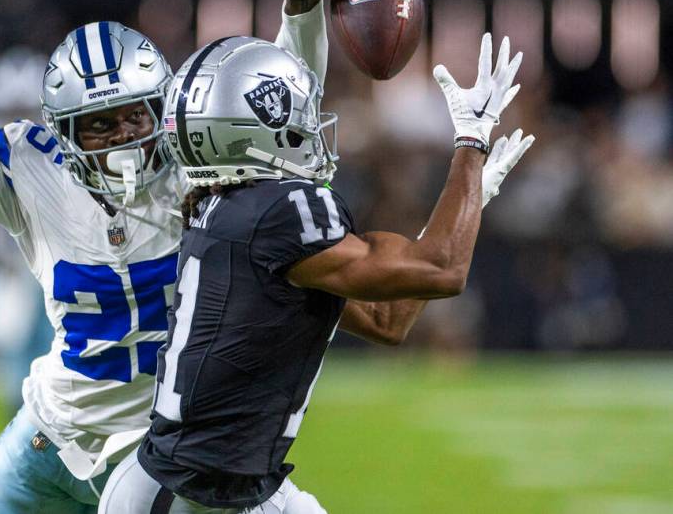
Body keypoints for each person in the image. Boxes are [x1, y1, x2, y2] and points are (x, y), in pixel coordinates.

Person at [0, 0, 354, 513]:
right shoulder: (36, 179)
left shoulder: (202, 170)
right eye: (99, 125)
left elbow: (279, 100)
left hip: (161, 460)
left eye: (133, 116)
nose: (123, 137)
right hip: (48, 444)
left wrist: (302, 4)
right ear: (63, 132)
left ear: (161, 108)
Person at [98, 34, 533, 513]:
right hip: (190, 497)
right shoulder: (280, 212)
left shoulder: (232, 208)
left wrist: (473, 199)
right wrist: (472, 142)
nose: (310, 127)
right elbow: (442, 269)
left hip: (216, 486)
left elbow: (385, 320)